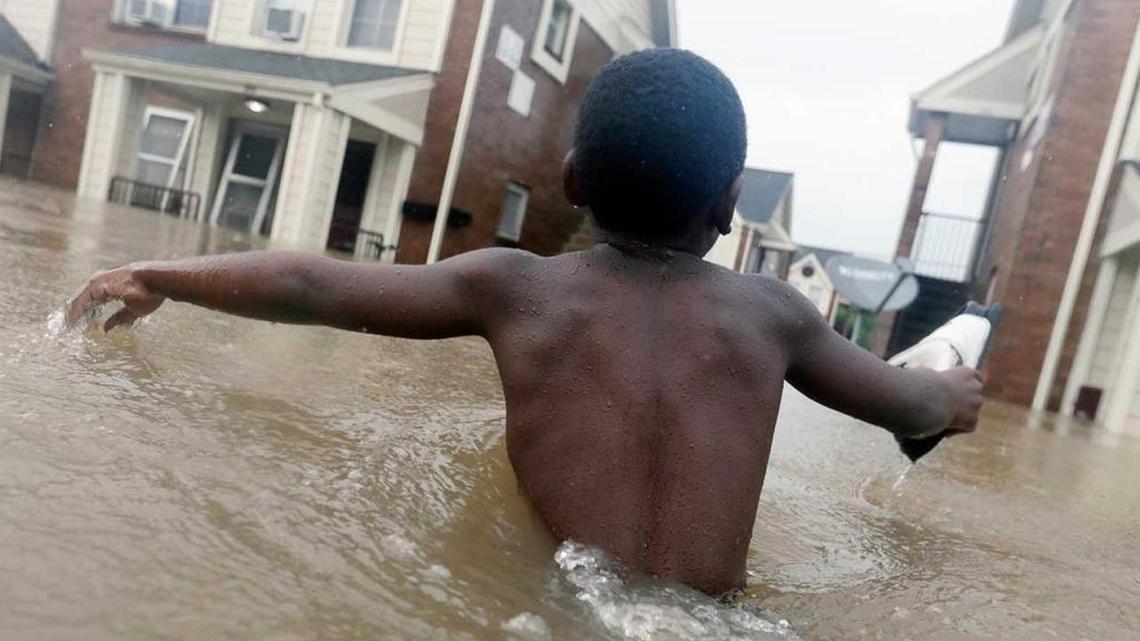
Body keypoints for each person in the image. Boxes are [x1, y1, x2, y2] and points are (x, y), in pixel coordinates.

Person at [65, 49, 983, 596]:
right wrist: (957, 386)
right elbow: (911, 406)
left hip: (563, 603)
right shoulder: (775, 315)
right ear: (732, 203)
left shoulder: (517, 288)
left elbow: (311, 285)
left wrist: (155, 271)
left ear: (574, 181)